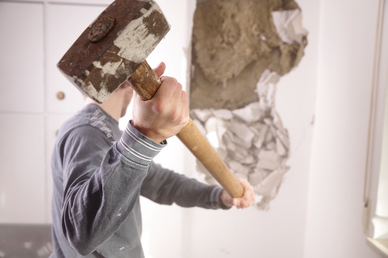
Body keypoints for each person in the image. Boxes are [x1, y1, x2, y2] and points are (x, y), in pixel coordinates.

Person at [50, 62, 255, 258]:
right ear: (126, 82)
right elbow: (82, 232)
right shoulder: (86, 132)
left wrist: (218, 195)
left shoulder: (110, 133)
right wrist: (144, 135)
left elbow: (163, 184)